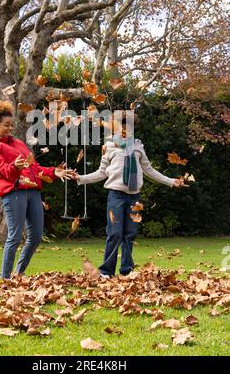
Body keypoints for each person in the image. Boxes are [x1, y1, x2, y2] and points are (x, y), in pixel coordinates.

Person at [73, 111, 185, 278]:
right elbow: (101, 172)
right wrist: (80, 178)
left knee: (130, 234)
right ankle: (106, 271)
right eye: (122, 125)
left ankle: (127, 271)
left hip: (134, 197)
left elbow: (149, 170)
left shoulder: (138, 146)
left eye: (129, 126)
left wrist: (171, 181)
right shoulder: (109, 146)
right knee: (115, 233)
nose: (125, 129)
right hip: (116, 196)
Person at [0, 99, 74, 279]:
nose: (10, 128)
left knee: (36, 236)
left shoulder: (19, 144)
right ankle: (5, 278)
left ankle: (19, 273)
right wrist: (15, 167)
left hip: (33, 192)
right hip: (14, 193)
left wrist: (55, 171)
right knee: (15, 237)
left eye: (11, 125)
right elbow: (0, 172)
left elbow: (35, 168)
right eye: (6, 125)